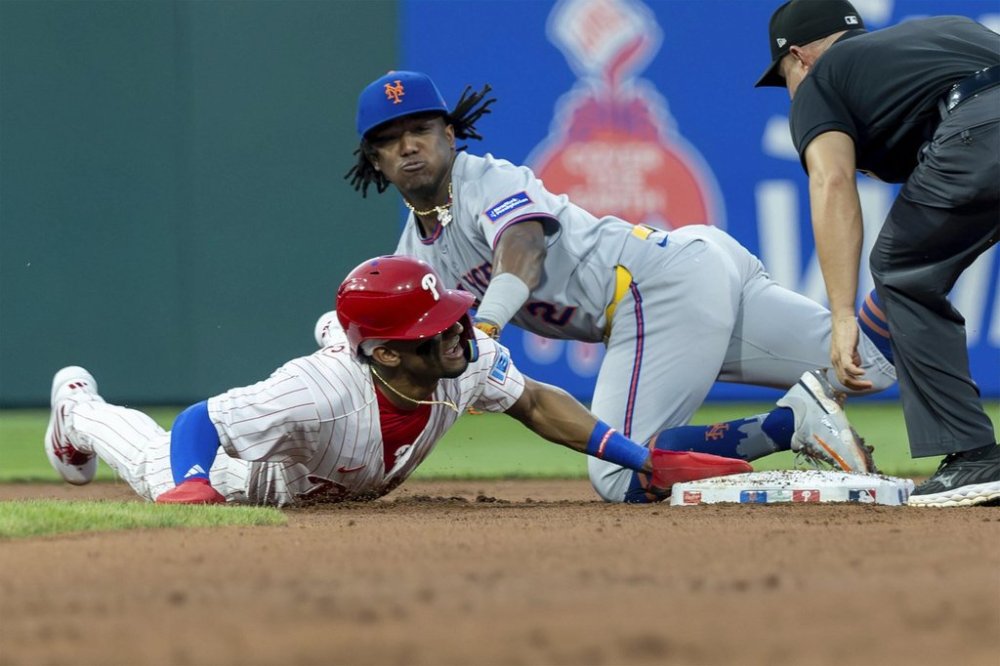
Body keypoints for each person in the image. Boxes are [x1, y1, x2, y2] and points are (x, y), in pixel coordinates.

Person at [343, 70, 895, 503]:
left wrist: (486, 326)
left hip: (655, 290)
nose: (409, 146)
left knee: (618, 474)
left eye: (420, 129)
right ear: (376, 159)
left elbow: (524, 248)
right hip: (691, 269)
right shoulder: (414, 255)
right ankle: (907, 287)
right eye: (391, 139)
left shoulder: (486, 178)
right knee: (868, 362)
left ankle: (791, 423)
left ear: (449, 134)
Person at [44, 255, 752, 506]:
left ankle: (339, 324)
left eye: (451, 315)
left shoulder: (463, 357)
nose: (458, 331)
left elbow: (537, 402)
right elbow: (202, 420)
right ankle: (77, 406)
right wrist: (194, 478)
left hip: (360, 389)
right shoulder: (315, 393)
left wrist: (639, 457)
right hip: (261, 477)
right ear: (387, 354)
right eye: (434, 326)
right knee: (156, 466)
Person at [754, 0, 999, 507]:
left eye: (785, 78)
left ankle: (974, 456)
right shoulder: (942, 32)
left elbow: (832, 180)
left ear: (799, 57)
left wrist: (843, 314)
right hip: (980, 118)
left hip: (980, 127)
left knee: (902, 269)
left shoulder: (821, 80)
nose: (791, 91)